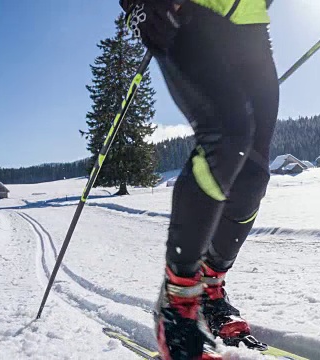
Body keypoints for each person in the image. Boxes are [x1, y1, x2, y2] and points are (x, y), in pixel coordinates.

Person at [118, 0, 278, 359]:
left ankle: (210, 287)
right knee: (226, 135)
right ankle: (177, 305)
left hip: (250, 21)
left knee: (252, 176)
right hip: (183, 11)